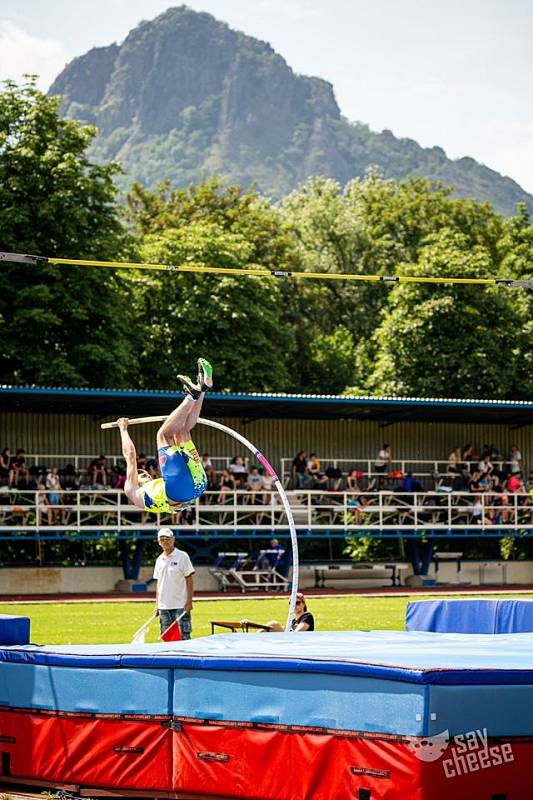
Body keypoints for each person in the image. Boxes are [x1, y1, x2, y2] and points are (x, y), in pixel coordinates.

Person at [117, 358, 213, 514]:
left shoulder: (151, 499)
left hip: (197, 487)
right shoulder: (131, 490)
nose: (145, 474)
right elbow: (130, 456)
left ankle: (203, 387)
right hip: (181, 490)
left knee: (182, 432)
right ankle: (192, 395)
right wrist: (123, 429)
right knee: (163, 436)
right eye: (142, 474)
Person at [153, 528, 195, 639]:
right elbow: (159, 584)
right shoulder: (159, 560)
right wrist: (157, 605)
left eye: (167, 538)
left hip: (180, 606)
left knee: (183, 638)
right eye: (162, 539)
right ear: (158, 541)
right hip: (163, 607)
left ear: (173, 540)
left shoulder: (182, 556)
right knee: (167, 638)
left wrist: (189, 602)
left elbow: (189, 579)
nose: (165, 541)